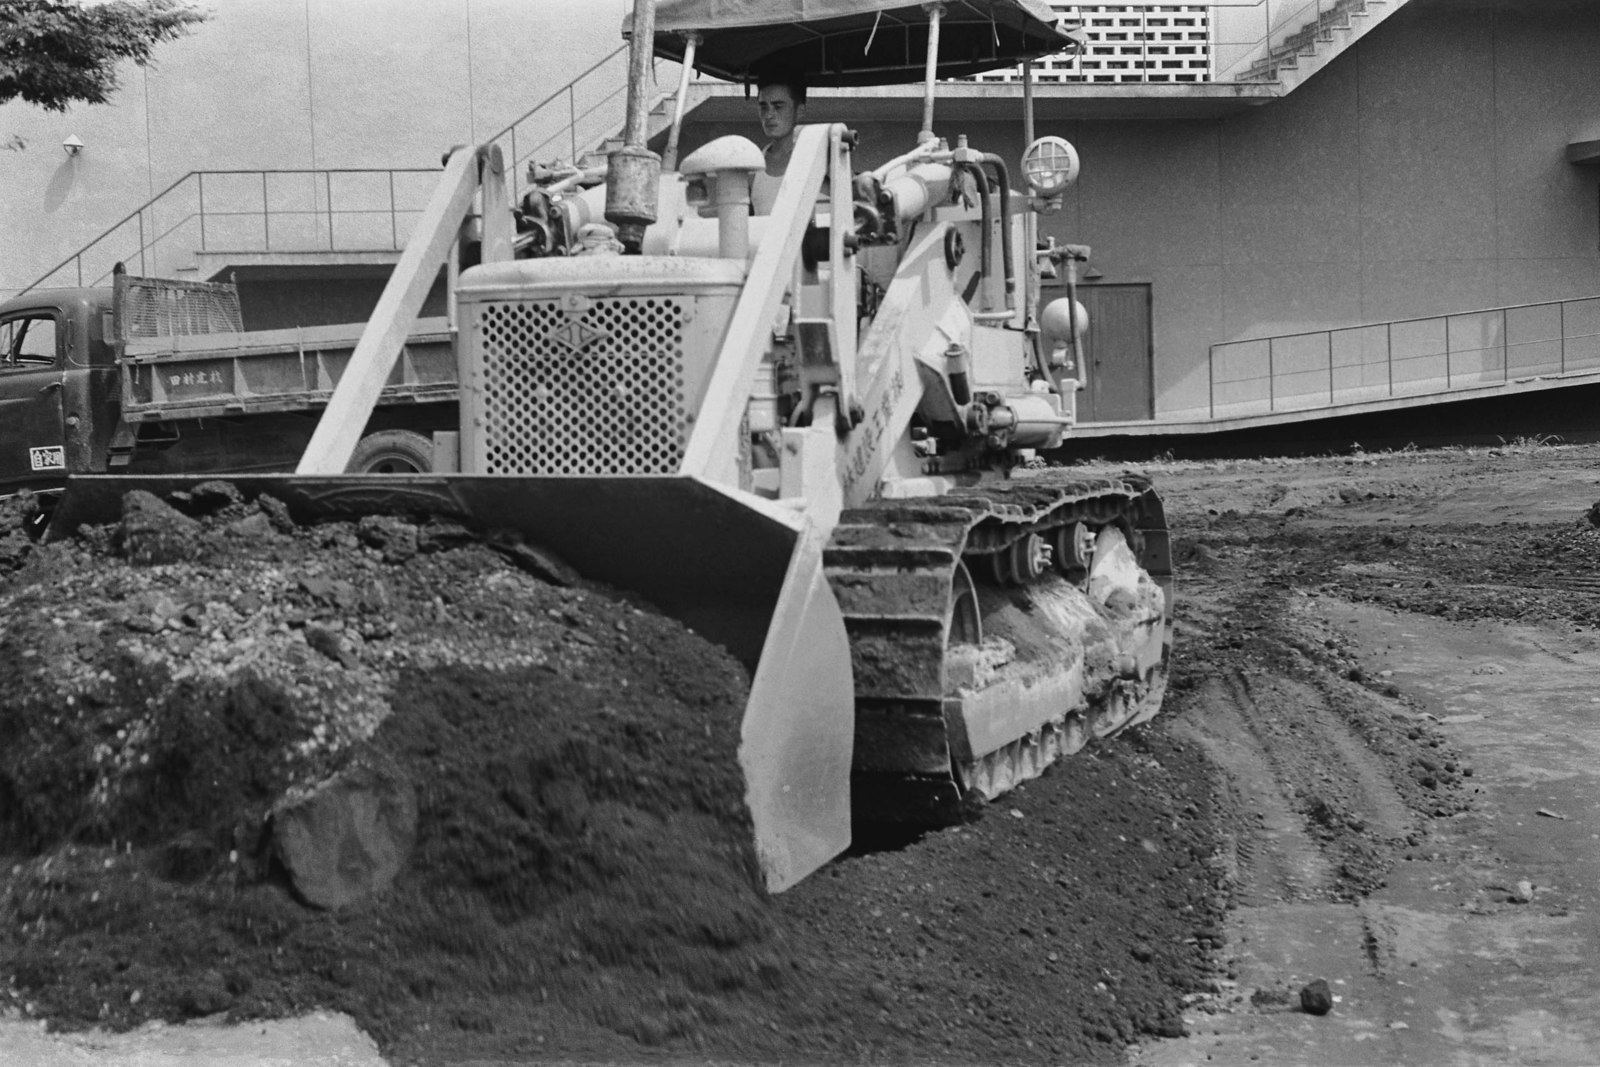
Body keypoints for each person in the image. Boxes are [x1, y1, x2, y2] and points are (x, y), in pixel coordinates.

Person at [755, 69, 808, 178]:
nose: (769, 115)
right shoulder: (752, 164)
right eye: (764, 107)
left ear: (799, 111)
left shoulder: (817, 159)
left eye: (778, 107)